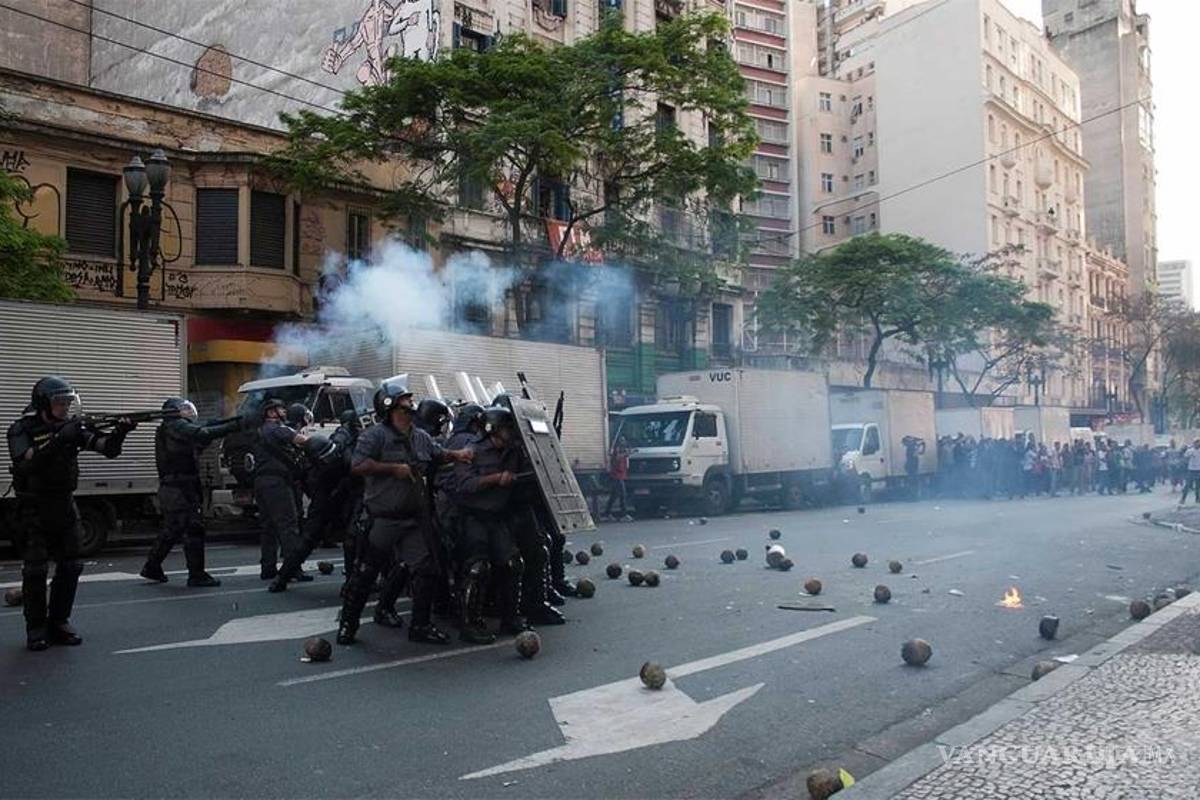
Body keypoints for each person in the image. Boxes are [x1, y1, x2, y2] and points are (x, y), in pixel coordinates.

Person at [336, 379, 471, 646]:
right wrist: (392, 469)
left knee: (427, 570)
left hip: (414, 519)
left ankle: (420, 625)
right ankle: (348, 625)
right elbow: (357, 465)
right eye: (406, 401)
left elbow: (437, 454)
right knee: (365, 573)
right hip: (383, 519)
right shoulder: (374, 436)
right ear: (391, 407)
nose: (412, 404)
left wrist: (459, 455)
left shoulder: (419, 436)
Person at [6, 377, 135, 650]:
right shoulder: (21, 429)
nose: (65, 407)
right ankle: (36, 628)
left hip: (64, 504)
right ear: (43, 404)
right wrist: (57, 440)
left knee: (71, 565)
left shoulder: (71, 428)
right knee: (36, 569)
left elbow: (107, 449)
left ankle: (59, 622)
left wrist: (121, 431)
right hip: (34, 507)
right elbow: (25, 463)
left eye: (67, 402)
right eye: (59, 403)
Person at [140, 398, 244, 587]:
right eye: (185, 409)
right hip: (180, 488)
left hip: (175, 488)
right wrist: (235, 426)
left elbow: (202, 433)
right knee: (193, 530)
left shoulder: (172, 428)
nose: (189, 412)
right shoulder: (175, 426)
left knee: (172, 529)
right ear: (174, 411)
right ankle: (196, 575)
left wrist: (229, 423)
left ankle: (152, 566)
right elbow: (202, 433)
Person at [253, 399, 310, 580]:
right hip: (277, 483)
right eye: (280, 409)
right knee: (288, 525)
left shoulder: (261, 430)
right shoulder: (276, 428)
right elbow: (300, 440)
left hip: (262, 482)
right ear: (271, 413)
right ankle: (293, 569)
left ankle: (268, 568)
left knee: (268, 527)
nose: (284, 411)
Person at [604, 435, 631, 521]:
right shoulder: (616, 450)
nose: (623, 442)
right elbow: (616, 458)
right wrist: (625, 454)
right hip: (617, 476)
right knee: (623, 495)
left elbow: (626, 464)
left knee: (614, 496)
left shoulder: (623, 451)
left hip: (621, 475)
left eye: (624, 440)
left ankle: (607, 513)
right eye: (621, 440)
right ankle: (624, 514)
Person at [903, 435, 925, 501]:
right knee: (913, 483)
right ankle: (913, 497)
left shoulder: (911, 448)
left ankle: (913, 497)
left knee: (912, 483)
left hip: (912, 467)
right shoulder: (911, 448)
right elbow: (917, 453)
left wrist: (922, 446)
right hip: (912, 467)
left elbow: (920, 453)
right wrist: (920, 446)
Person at [1179, 439, 1200, 506]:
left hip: (1198, 470)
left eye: (1198, 443)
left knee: (1197, 486)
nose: (1197, 444)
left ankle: (1197, 498)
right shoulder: (1190, 451)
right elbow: (1184, 458)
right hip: (1191, 470)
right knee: (1187, 485)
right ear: (1194, 443)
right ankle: (1183, 499)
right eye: (1196, 442)